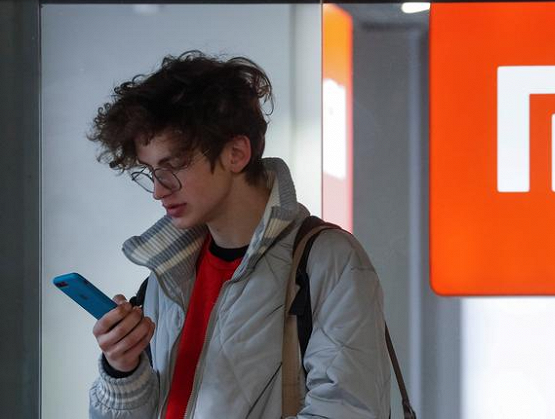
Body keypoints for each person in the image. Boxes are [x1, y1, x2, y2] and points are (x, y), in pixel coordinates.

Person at [86, 51, 391, 419]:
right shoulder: (165, 279)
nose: (158, 190)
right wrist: (123, 370)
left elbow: (347, 411)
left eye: (173, 166)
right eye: (151, 172)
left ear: (236, 153)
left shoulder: (328, 261)